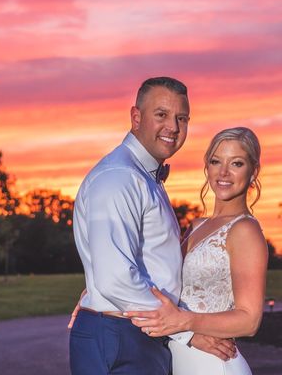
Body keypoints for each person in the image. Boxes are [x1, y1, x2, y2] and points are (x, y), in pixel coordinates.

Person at [69, 77, 235, 375]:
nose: (173, 126)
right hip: (122, 336)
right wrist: (184, 331)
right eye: (161, 115)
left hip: (135, 333)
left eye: (181, 118)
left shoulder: (143, 176)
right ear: (136, 117)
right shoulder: (119, 177)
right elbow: (114, 278)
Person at [123, 127, 268, 375]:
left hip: (214, 365)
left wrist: (185, 321)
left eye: (236, 163)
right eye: (215, 161)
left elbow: (249, 319)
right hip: (182, 361)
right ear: (207, 166)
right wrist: (98, 292)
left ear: (253, 171)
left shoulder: (245, 230)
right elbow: (159, 278)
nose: (223, 172)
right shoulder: (196, 226)